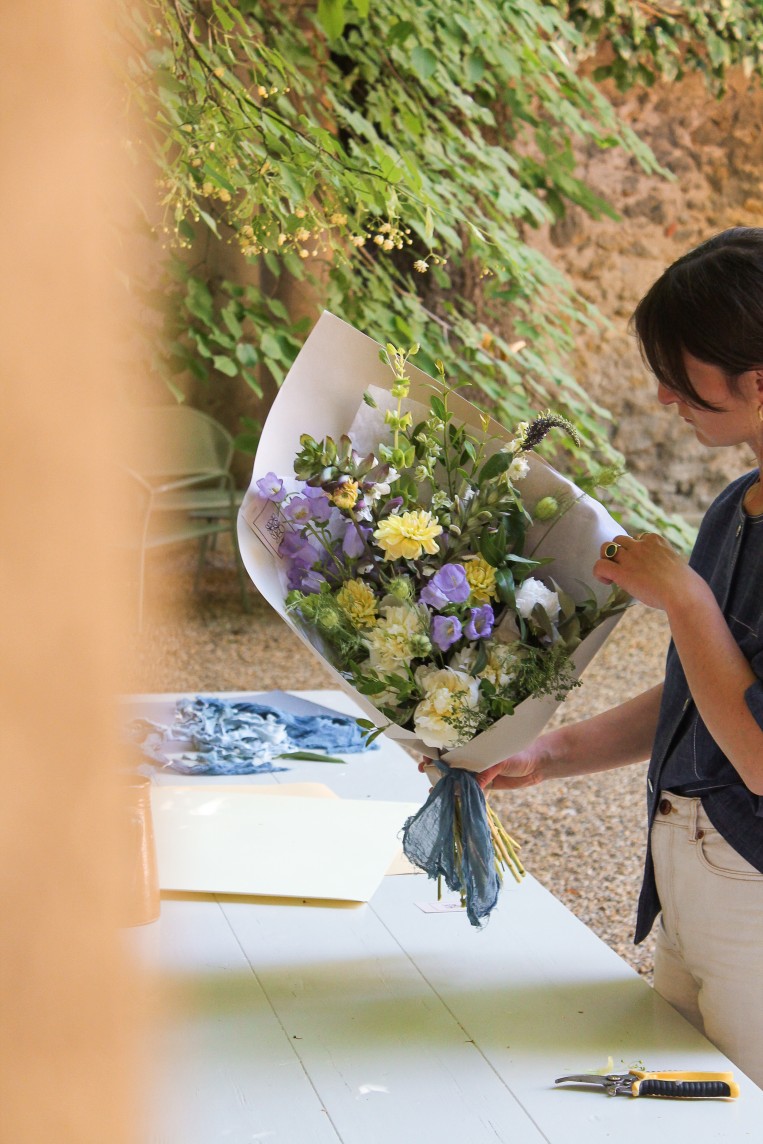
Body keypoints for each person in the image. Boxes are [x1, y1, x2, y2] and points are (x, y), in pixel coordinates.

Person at [478, 227, 763, 1087]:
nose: (667, 397)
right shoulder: (733, 506)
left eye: (682, 379)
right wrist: (546, 752)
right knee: (687, 1107)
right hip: (687, 872)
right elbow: (699, 695)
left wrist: (683, 599)